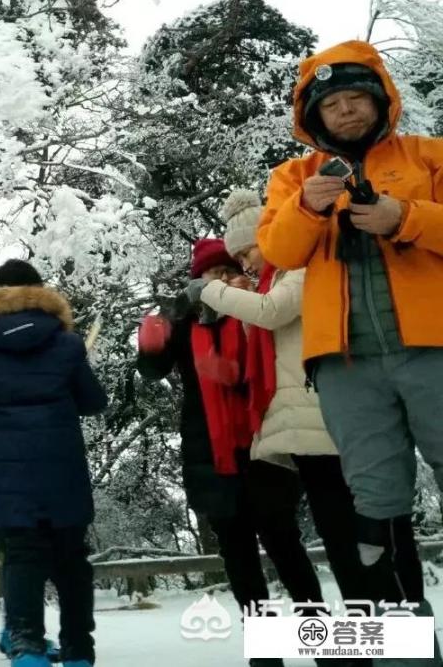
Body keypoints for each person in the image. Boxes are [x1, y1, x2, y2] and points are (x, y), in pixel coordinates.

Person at [258, 41, 443, 648]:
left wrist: (405, 217)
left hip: (435, 350)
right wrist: (308, 212)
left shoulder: (429, 157)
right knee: (372, 507)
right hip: (345, 366)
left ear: (380, 101)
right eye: (331, 103)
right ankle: (404, 650)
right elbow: (279, 252)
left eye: (355, 99)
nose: (345, 111)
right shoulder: (292, 178)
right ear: (313, 115)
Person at [137, 239, 321, 667]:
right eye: (212, 276)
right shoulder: (184, 323)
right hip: (210, 455)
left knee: (285, 547)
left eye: (227, 272)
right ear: (198, 281)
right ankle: (265, 652)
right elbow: (151, 371)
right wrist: (151, 341)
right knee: (238, 557)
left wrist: (234, 376)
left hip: (264, 446)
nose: (221, 281)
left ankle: (321, 643)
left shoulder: (259, 306)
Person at [199, 189, 367, 607]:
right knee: (338, 535)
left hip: (322, 416)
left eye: (248, 250)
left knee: (350, 539)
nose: (246, 262)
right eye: (238, 256)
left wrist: (211, 292)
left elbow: (273, 312)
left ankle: (384, 642)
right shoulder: (272, 279)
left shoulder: (301, 267)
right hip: (299, 426)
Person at [0, 259, 106, 667]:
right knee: (72, 557)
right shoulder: (67, 343)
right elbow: (94, 401)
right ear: (40, 291)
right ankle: (78, 651)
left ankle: (26, 646)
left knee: (22, 554)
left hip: (9, 467)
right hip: (63, 464)